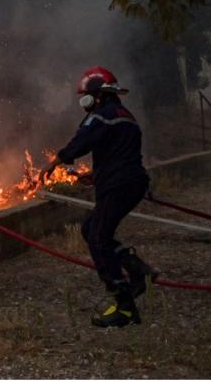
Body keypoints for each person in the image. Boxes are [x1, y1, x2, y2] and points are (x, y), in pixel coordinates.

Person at [42, 66, 157, 327]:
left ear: (97, 95)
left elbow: (82, 140)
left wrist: (56, 161)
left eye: (85, 96)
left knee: (97, 238)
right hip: (128, 181)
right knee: (91, 229)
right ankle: (139, 271)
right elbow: (119, 155)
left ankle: (124, 306)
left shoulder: (102, 115)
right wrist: (94, 176)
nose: (83, 102)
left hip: (120, 185)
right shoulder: (124, 115)